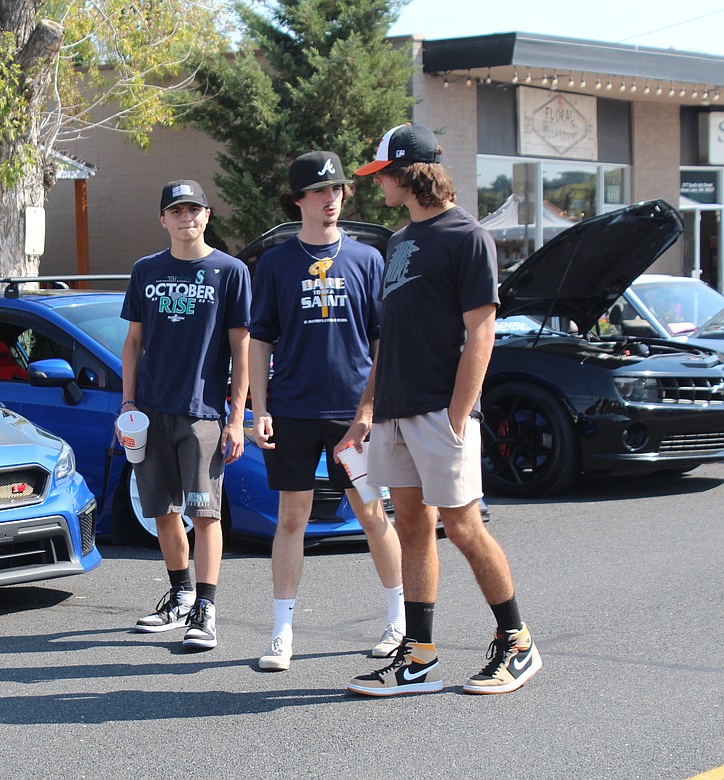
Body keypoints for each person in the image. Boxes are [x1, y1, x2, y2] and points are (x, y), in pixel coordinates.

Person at [343, 124, 542, 696]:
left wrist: (459, 414)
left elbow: (482, 332)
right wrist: (368, 406)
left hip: (440, 411)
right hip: (394, 411)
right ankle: (420, 655)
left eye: (381, 174)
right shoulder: (399, 240)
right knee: (411, 526)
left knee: (462, 525)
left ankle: (518, 642)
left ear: (408, 172)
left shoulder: (468, 237)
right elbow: (394, 335)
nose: (376, 183)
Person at [248, 151, 405, 672]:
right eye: (319, 191)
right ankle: (281, 632)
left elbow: (384, 341)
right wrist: (259, 408)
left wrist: (371, 407)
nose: (331, 199)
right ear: (299, 200)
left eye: (336, 190)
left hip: (351, 413)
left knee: (370, 512)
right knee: (292, 518)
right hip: (291, 409)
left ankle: (399, 622)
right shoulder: (274, 264)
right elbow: (260, 341)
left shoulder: (368, 259)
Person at [120, 179, 251, 651]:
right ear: (163, 219)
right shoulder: (146, 270)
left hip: (203, 413)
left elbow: (242, 350)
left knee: (205, 513)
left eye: (194, 209)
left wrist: (237, 419)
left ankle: (205, 610)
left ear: (207, 215)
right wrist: (128, 404)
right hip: (150, 412)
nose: (186, 218)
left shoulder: (229, 271)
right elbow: (133, 343)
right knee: (162, 510)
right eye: (176, 210)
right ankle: (180, 596)